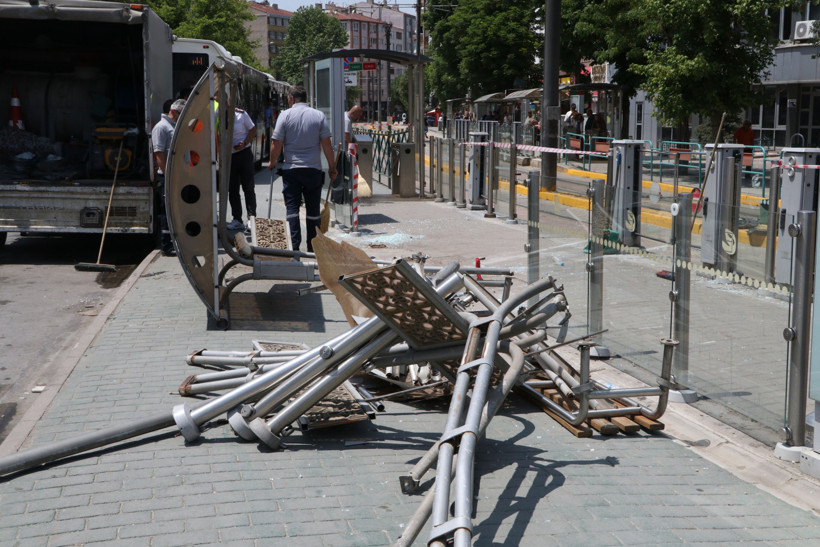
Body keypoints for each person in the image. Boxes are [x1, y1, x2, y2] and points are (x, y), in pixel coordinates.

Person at [269, 86, 338, 252]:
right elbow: (327, 145)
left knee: (292, 209)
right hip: (313, 169)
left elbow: (276, 143)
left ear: (292, 98)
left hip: (291, 169)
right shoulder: (318, 115)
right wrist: (332, 167)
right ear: (306, 99)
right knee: (313, 211)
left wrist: (272, 162)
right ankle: (312, 249)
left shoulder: (285, 115)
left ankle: (294, 248)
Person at [151, 98, 186, 256]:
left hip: (176, 176)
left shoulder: (174, 126)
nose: (181, 117)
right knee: (167, 210)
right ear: (173, 112)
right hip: (167, 177)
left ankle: (174, 241)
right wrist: (168, 175)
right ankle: (166, 245)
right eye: (180, 114)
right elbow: (159, 154)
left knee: (175, 209)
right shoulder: (161, 127)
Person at [226, 107, 257, 232]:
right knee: (232, 189)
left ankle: (251, 219)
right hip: (229, 157)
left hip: (244, 154)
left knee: (248, 188)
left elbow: (253, 130)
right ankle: (237, 219)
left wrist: (244, 143)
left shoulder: (241, 114)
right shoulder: (217, 115)